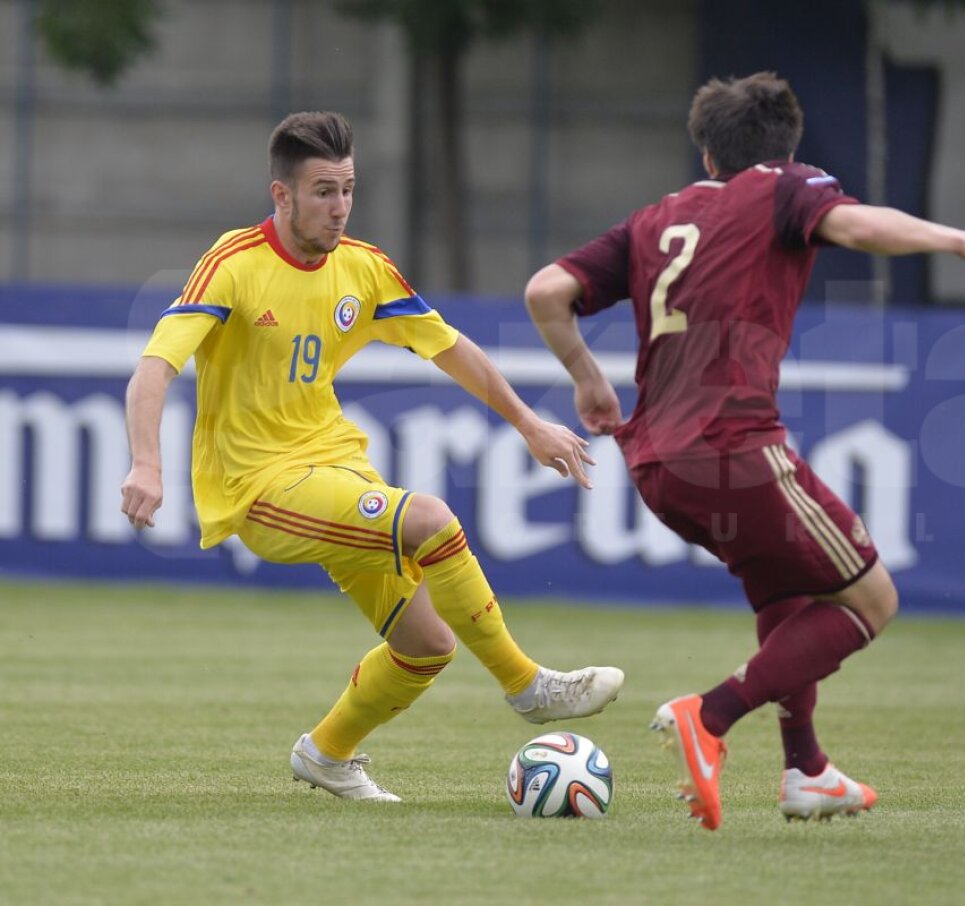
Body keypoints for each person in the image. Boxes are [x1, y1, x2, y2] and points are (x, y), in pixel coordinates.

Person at [525, 72, 965, 829]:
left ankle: (806, 770)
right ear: (785, 149)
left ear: (708, 157)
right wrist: (958, 240)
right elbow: (860, 227)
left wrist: (588, 380)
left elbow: (546, 290)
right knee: (873, 599)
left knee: (785, 597)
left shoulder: (656, 218)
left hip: (655, 465)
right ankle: (710, 716)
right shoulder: (788, 186)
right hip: (733, 449)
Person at [120, 111, 623, 803]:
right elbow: (154, 369)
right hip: (258, 488)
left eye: (348, 189)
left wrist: (530, 423)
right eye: (323, 191)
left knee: (427, 646)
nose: (339, 207)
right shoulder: (233, 264)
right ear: (282, 196)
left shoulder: (364, 267)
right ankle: (526, 685)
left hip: (336, 470)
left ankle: (327, 754)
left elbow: (449, 347)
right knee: (430, 520)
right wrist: (147, 463)